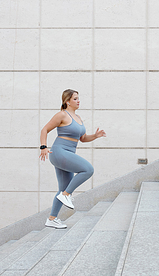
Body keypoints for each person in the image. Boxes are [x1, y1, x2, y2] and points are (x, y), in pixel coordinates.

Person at [39, 89, 106, 229]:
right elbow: (44, 129)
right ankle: (66, 195)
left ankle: (52, 219)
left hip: (68, 153)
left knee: (62, 188)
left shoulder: (79, 118)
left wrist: (95, 135)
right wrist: (43, 147)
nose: (78, 101)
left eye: (78, 98)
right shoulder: (62, 115)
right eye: (75, 99)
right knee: (88, 170)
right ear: (67, 101)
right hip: (59, 152)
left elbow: (82, 139)